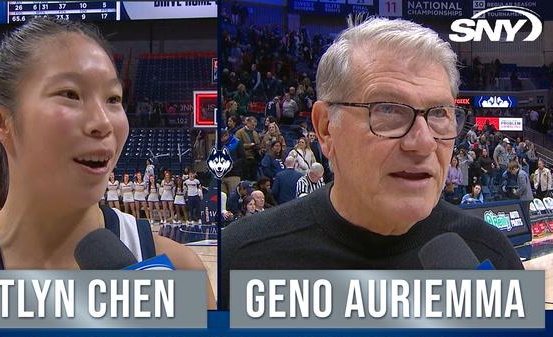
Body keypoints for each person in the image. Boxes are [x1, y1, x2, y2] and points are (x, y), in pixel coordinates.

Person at [221, 17, 522, 310]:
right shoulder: (241, 259)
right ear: (326, 128)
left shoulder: (494, 257)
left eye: (440, 113)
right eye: (388, 110)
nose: (424, 142)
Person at [0, 18, 214, 309]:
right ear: (0, 120)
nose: (103, 122)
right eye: (70, 94)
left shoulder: (180, 272)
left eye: (113, 98)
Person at [507, 161, 534, 226]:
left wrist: (516, 192)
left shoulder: (520, 174)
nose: (512, 173)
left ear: (514, 168)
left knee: (526, 215)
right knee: (526, 214)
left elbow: (523, 186)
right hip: (527, 197)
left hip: (525, 198)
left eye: (511, 171)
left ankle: (528, 230)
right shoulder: (522, 172)